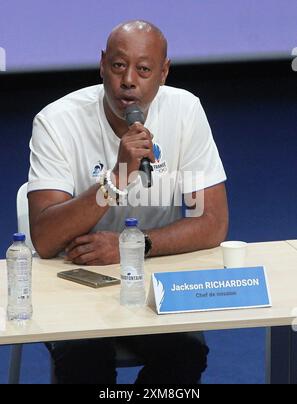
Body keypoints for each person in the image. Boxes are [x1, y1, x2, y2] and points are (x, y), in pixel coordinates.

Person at [27, 20, 228, 384]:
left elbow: (212, 220)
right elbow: (44, 237)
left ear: (164, 72)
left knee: (186, 355)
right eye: (119, 66)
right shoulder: (56, 122)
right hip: (74, 284)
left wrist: (135, 246)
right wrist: (116, 179)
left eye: (144, 69)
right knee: (83, 360)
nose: (129, 80)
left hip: (152, 282)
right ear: (102, 64)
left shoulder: (186, 112)